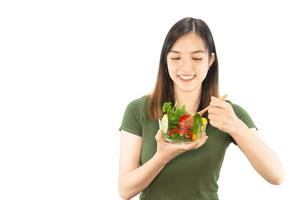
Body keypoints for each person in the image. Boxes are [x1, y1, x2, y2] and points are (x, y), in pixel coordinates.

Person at [118, 17, 284, 200]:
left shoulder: (226, 114)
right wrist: (161, 157)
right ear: (165, 60)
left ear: (210, 60)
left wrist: (236, 127)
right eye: (175, 57)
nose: (186, 67)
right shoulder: (139, 110)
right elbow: (125, 190)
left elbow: (276, 175)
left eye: (197, 58)